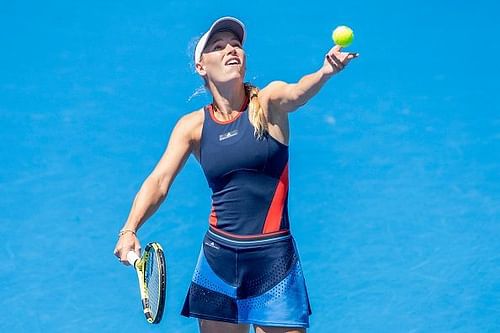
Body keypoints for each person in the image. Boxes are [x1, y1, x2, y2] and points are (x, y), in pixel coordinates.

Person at [114, 16, 358, 333]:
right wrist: (129, 228)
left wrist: (325, 73)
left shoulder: (268, 102)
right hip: (218, 261)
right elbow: (159, 181)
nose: (231, 50)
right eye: (219, 46)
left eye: (237, 45)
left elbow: (297, 92)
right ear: (202, 66)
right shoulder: (192, 127)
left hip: (272, 262)